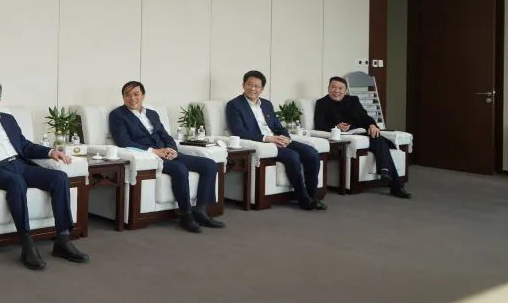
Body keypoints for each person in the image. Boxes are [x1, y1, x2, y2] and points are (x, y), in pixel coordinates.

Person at [0, 79, 89, 270]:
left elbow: (24, 145)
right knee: (16, 181)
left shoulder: (8, 119)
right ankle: (27, 245)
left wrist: (50, 152)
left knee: (59, 177)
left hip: (20, 164)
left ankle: (63, 240)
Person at [108, 81, 225, 233]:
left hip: (167, 153)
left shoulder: (152, 114)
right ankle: (186, 215)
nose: (132, 98)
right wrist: (156, 152)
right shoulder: (117, 115)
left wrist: (172, 150)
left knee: (209, 165)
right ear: (123, 97)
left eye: (136, 94)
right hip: (150, 157)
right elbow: (123, 142)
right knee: (179, 169)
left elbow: (165, 135)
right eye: (127, 95)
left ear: (143, 96)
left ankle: (201, 211)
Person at [226, 70, 326, 211]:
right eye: (249, 84)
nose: (253, 89)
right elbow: (239, 132)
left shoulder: (267, 104)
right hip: (263, 143)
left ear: (262, 89)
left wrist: (285, 138)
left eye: (257, 86)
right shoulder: (234, 105)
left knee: (311, 153)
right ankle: (303, 198)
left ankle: (313, 196)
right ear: (243, 85)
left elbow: (278, 126)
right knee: (293, 156)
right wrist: (268, 138)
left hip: (277, 139)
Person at [314, 76, 412, 199]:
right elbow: (319, 125)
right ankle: (394, 184)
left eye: (340, 88)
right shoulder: (321, 103)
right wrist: (336, 127)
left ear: (345, 91)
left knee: (377, 136)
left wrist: (372, 125)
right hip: (344, 137)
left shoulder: (353, 100)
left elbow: (365, 117)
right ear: (328, 88)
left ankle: (386, 172)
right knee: (381, 141)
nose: (336, 91)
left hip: (361, 132)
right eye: (333, 87)